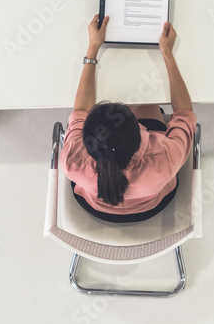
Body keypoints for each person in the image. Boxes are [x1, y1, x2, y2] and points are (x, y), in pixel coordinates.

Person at [60, 15, 196, 222]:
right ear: (141, 131)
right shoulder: (166, 157)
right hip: (151, 205)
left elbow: (79, 112)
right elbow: (184, 114)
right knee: (148, 103)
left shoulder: (72, 159)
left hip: (95, 206)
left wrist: (93, 48)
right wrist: (167, 54)